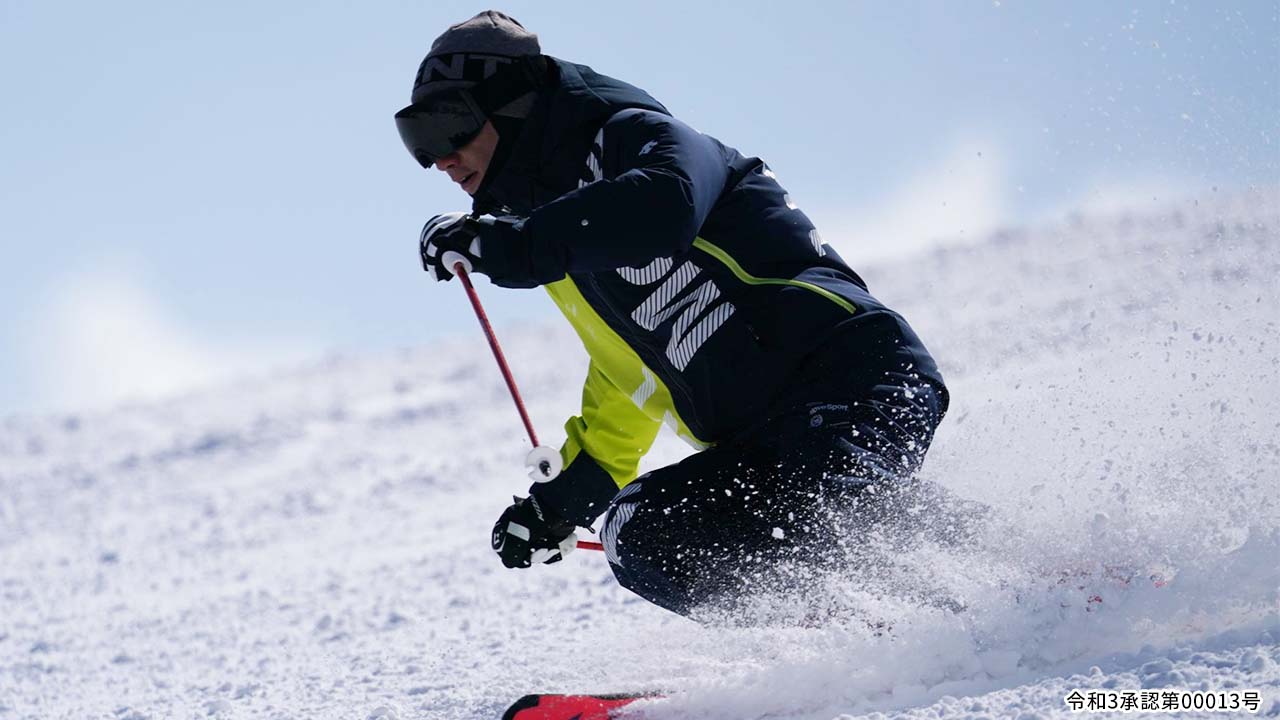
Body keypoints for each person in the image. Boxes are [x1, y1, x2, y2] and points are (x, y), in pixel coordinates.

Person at [395, 11, 950, 618]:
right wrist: (561, 504)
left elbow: (667, 207)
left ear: (515, 105)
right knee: (641, 533)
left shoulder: (637, 136)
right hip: (765, 441)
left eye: (449, 126)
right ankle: (931, 617)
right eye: (418, 139)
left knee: (823, 524)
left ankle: (938, 621)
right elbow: (625, 377)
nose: (439, 159)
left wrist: (510, 245)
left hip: (854, 378)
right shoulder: (568, 243)